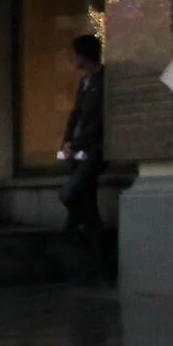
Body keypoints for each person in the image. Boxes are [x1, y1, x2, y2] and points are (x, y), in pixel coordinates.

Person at [60, 34, 106, 236]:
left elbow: (99, 121)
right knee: (87, 193)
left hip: (93, 148)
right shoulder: (84, 82)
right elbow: (75, 114)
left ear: (84, 56)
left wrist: (77, 143)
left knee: (69, 193)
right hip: (79, 148)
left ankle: (79, 221)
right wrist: (67, 142)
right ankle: (92, 229)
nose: (72, 59)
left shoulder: (103, 81)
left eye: (75, 54)